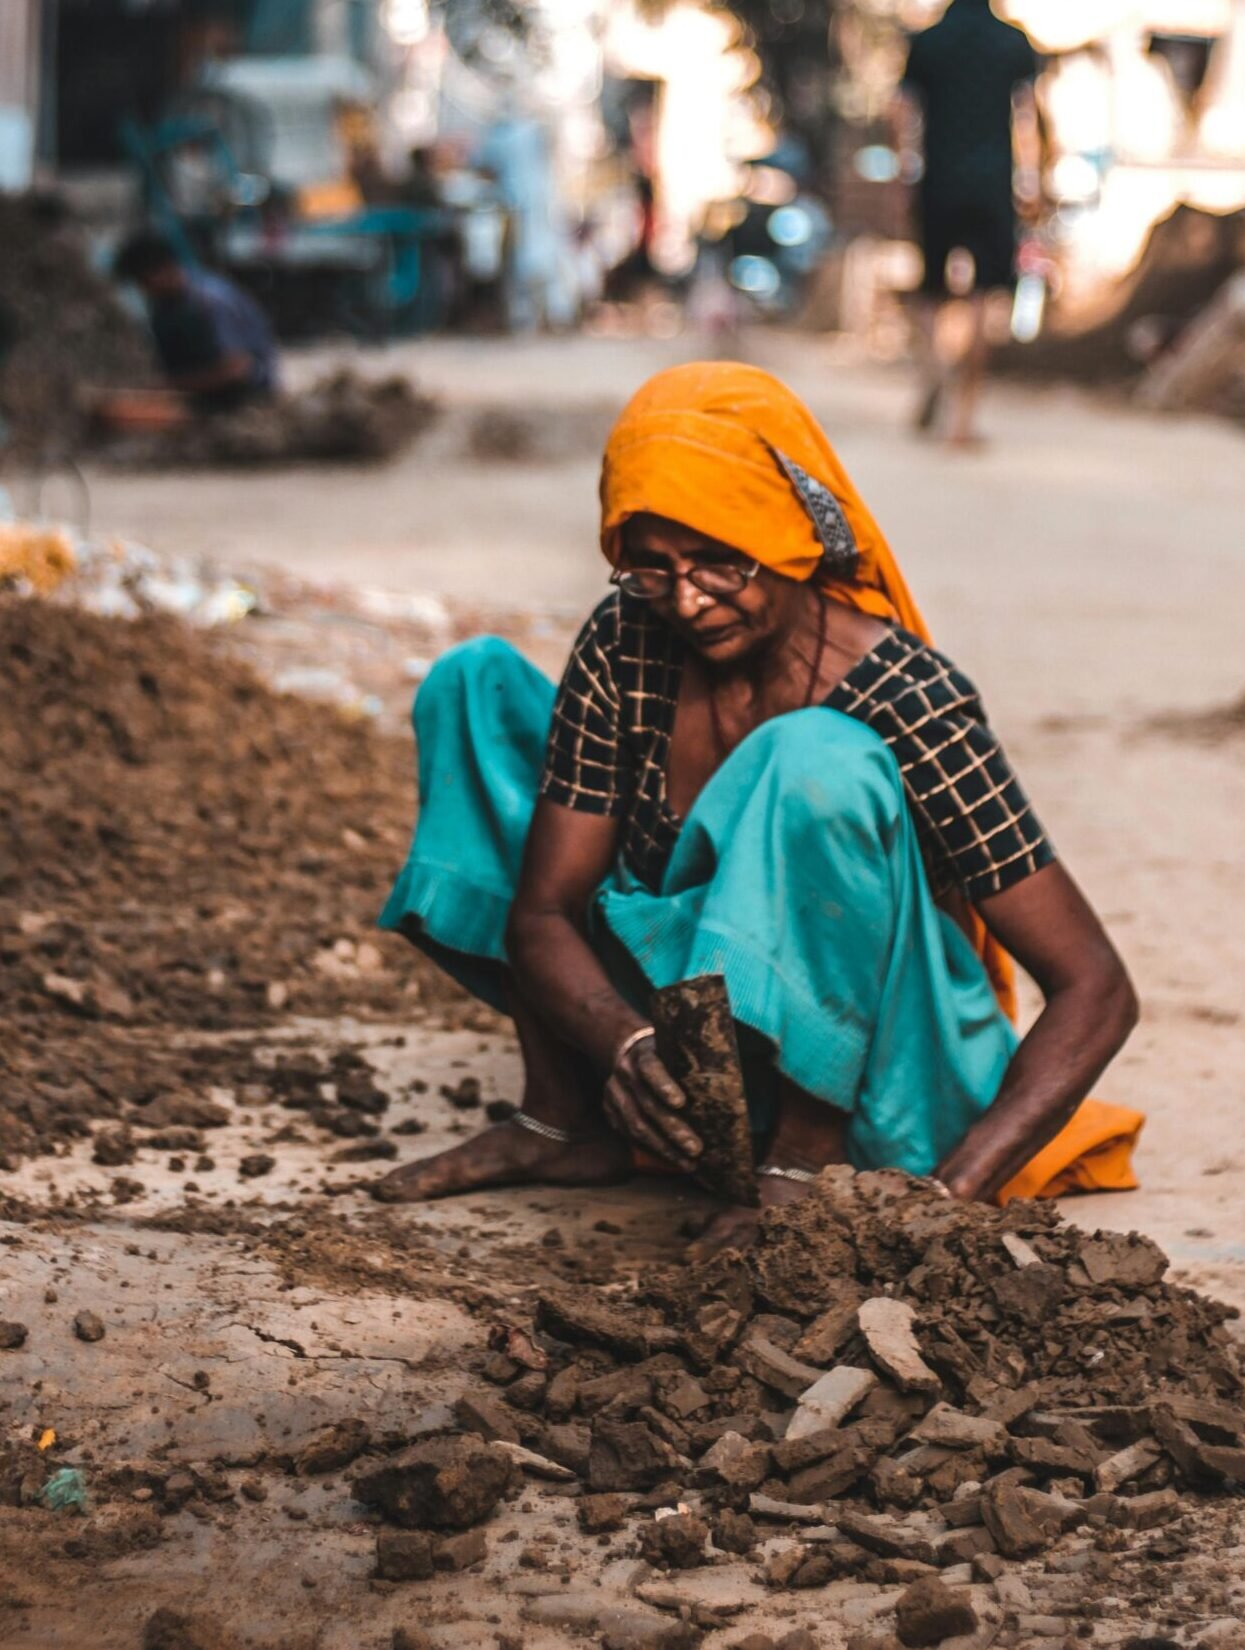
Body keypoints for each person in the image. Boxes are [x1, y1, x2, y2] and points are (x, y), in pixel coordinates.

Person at [373, 363, 1142, 1250]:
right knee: (475, 686)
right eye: (653, 570)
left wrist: (950, 1198)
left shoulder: (910, 698)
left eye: (719, 563)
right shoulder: (631, 641)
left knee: (812, 756)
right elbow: (544, 908)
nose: (690, 600)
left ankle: (801, 1163)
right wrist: (622, 1046)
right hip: (687, 1050)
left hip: (874, 1070)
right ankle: (564, 1122)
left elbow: (1097, 988)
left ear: (794, 537)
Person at [900, 0, 1039, 447]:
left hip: (938, 179)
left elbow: (899, 111)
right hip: (994, 183)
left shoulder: (928, 42)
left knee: (929, 291)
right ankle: (962, 422)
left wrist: (907, 169)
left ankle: (936, 367)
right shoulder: (1013, 43)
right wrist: (1032, 179)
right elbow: (1028, 115)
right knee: (986, 296)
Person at [112, 230, 278, 415]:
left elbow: (237, 369)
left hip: (247, 402)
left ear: (162, 270)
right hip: (199, 398)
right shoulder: (165, 307)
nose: (143, 291)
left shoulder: (211, 302)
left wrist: (169, 387)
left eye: (143, 282)